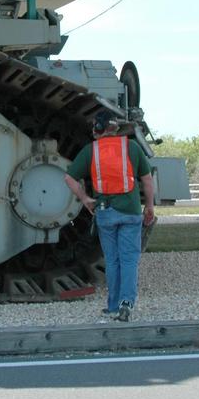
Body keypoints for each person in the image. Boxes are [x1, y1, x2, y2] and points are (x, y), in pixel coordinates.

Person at [63, 110, 156, 322]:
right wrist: (149, 207)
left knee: (112, 261)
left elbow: (69, 178)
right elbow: (147, 180)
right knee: (129, 260)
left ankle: (113, 305)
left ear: (98, 128)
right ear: (114, 128)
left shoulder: (91, 151)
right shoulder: (131, 147)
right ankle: (127, 304)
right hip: (131, 213)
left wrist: (85, 198)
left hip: (105, 213)